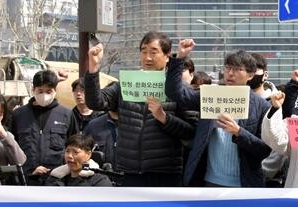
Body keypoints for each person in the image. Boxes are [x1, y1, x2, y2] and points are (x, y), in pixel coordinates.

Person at [84, 32, 195, 187]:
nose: (147, 57)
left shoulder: (177, 90)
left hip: (165, 174)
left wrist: (164, 118)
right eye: (144, 52)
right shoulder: (127, 84)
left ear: (167, 55)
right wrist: (93, 68)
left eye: (153, 52)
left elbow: (191, 133)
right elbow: (96, 103)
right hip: (129, 172)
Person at [166, 40, 271, 188]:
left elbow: (265, 150)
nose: (230, 73)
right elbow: (175, 93)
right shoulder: (212, 95)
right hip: (208, 181)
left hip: (244, 184)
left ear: (250, 74)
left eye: (237, 69)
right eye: (228, 68)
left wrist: (239, 132)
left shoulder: (262, 106)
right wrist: (180, 57)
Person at [11, 70, 78, 185]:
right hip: (25, 178)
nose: (44, 95)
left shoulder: (66, 114)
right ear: (33, 90)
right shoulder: (19, 114)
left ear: (55, 91)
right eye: (40, 91)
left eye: (48, 91)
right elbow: (12, 147)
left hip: (58, 179)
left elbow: (74, 145)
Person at [45, 134, 113, 187]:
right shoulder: (54, 179)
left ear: (88, 154)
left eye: (75, 152)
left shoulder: (100, 182)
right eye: (67, 151)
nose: (69, 156)